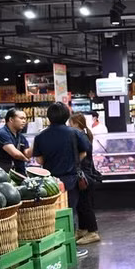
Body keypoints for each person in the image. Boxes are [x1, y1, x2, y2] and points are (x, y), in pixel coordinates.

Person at [33, 102, 93, 258]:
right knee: (70, 213)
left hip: (49, 182)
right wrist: (74, 162)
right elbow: (85, 152)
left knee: (52, 214)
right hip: (71, 179)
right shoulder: (74, 133)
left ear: (49, 117)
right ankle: (71, 249)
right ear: (67, 115)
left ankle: (54, 248)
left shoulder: (40, 135)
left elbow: (39, 161)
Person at [68, 113, 101, 245]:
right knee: (82, 203)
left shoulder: (79, 136)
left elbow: (82, 155)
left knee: (86, 205)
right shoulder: (84, 135)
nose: (68, 126)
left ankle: (93, 232)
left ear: (76, 124)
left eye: (70, 124)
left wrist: (72, 164)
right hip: (86, 174)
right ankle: (82, 229)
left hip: (84, 176)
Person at [0, 108, 31, 174]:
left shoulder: (20, 136)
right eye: (21, 118)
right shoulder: (1, 133)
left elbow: (27, 153)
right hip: (5, 174)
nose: (24, 121)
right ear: (11, 119)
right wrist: (26, 159)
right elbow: (15, 154)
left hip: (19, 173)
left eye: (25, 119)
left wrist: (37, 142)